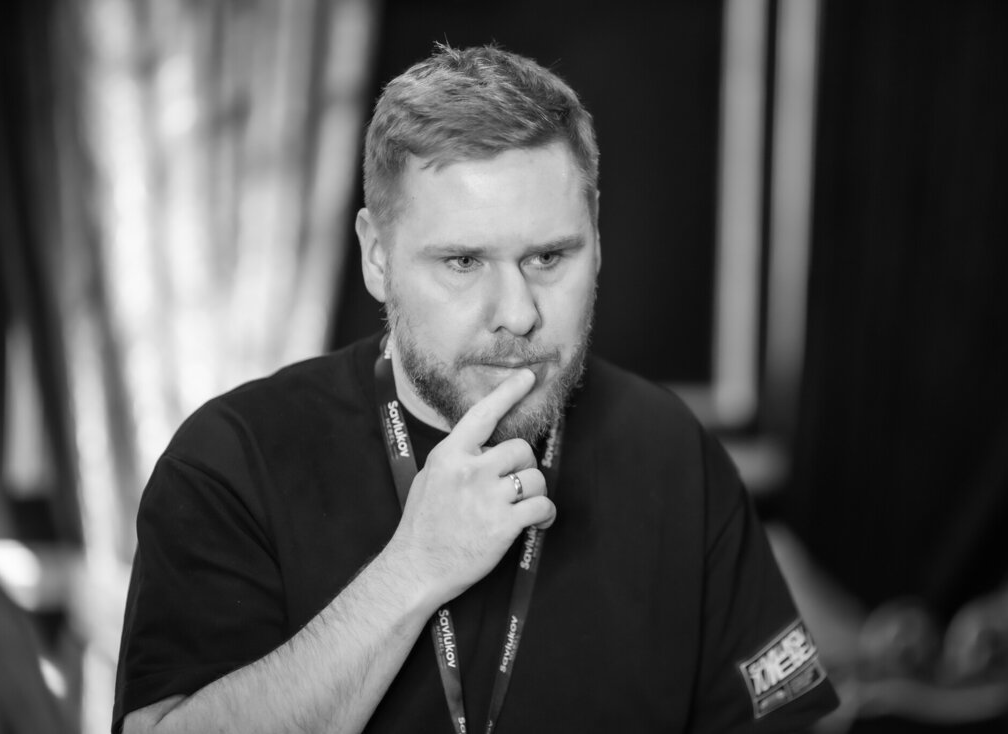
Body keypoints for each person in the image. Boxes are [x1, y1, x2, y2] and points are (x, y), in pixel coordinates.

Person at [113, 43, 839, 733]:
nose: (518, 314)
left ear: (596, 240)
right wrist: (413, 570)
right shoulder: (234, 460)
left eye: (549, 257)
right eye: (463, 262)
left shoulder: (672, 452)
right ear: (377, 257)